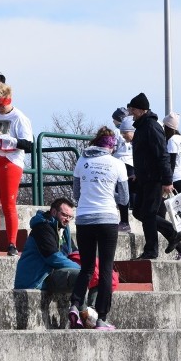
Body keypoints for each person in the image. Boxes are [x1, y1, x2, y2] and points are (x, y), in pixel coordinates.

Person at [68, 127, 129, 331]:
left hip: (84, 217)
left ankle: (75, 304)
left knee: (86, 267)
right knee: (105, 268)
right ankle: (101, 317)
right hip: (107, 218)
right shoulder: (117, 164)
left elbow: (76, 193)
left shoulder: (81, 161)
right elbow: (125, 198)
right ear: (111, 146)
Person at [126, 92, 181, 260]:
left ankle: (151, 251)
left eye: (132, 109)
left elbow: (162, 154)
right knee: (139, 212)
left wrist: (167, 180)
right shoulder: (142, 126)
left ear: (140, 110)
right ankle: (171, 234)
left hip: (155, 179)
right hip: (144, 178)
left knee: (148, 214)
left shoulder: (151, 127)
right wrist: (138, 175)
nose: (130, 113)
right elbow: (145, 156)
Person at [0, 82, 33, 257]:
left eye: (1, 105)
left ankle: (12, 243)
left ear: (8, 100)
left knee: (8, 204)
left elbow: (29, 145)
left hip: (10, 161)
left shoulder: (19, 117)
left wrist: (11, 141)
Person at [14, 198, 81, 292]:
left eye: (70, 217)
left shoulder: (64, 230)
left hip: (53, 273)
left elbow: (73, 252)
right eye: (65, 215)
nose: (68, 220)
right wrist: (82, 268)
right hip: (38, 279)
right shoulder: (42, 227)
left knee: (99, 273)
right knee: (82, 275)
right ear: (54, 212)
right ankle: (81, 306)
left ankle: (92, 306)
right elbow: (53, 257)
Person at [114, 113, 135, 233]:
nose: (123, 135)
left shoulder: (117, 132)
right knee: (128, 189)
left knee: (122, 190)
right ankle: (126, 218)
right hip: (132, 164)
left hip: (121, 161)